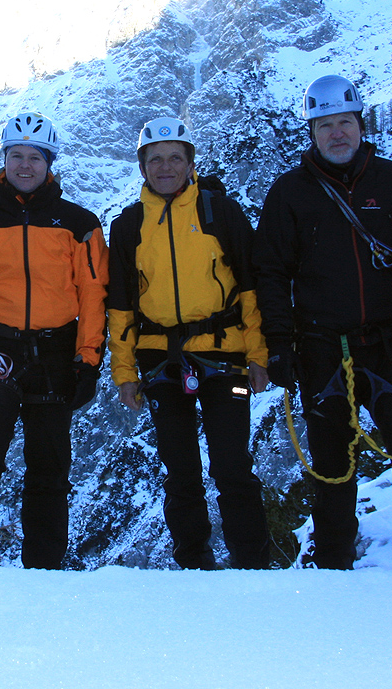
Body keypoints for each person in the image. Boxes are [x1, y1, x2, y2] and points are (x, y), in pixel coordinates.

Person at [253, 75, 392, 571]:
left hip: (390, 342)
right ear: (312, 132)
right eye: (325, 125)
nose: (337, 133)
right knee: (331, 472)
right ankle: (334, 572)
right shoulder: (290, 193)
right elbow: (270, 273)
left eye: (344, 122)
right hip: (321, 348)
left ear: (361, 125)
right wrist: (279, 344)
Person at [0, 112, 108, 569]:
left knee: (49, 470)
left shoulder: (80, 224)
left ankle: (44, 575)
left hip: (56, 354)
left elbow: (93, 295)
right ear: (4, 159)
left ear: (49, 163)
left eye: (34, 157)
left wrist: (88, 359)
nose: (24, 166)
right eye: (16, 156)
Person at [106, 117, 271, 570]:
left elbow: (251, 289)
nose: (165, 167)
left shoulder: (221, 212)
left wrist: (259, 355)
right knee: (180, 470)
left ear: (190, 163)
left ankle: (252, 566)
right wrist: (124, 374)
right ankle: (194, 564)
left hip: (225, 352)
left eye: (174, 158)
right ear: (142, 166)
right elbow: (119, 307)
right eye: (155, 159)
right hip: (160, 357)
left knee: (232, 466)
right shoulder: (129, 226)